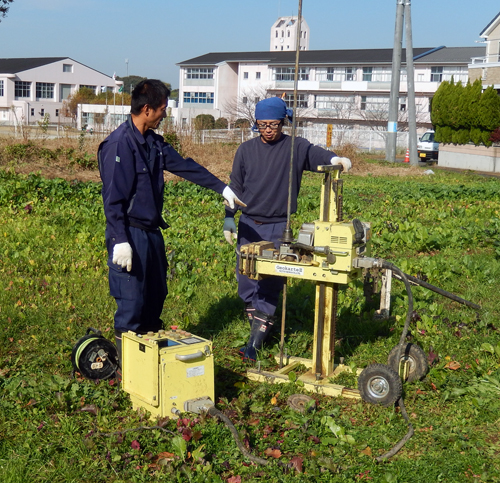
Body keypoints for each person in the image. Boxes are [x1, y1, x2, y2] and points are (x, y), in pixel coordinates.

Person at [98, 79, 242, 373]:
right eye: (162, 108)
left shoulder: (154, 143)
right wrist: (119, 240)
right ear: (147, 109)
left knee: (155, 295)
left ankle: (149, 360)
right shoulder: (119, 145)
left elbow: (185, 166)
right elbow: (112, 200)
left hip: (151, 234)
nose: (165, 114)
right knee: (131, 301)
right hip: (130, 233)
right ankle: (127, 371)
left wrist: (222, 189)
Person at [222, 96, 351, 361]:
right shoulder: (245, 151)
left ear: (284, 122)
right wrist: (228, 217)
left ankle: (254, 345)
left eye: (274, 124)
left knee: (270, 281)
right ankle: (257, 327)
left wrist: (335, 159)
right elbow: (235, 186)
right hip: (249, 224)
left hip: (279, 226)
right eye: (262, 125)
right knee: (246, 281)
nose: (268, 130)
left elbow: (316, 154)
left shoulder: (295, 147)